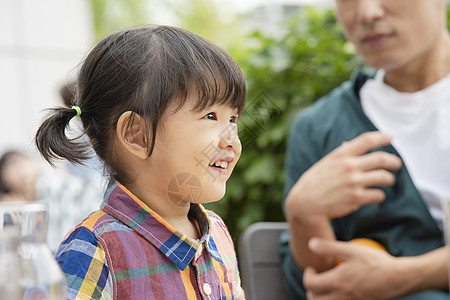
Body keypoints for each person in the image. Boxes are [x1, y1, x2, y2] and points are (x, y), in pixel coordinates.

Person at [35, 25, 246, 299]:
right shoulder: (95, 248)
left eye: (233, 120)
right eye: (210, 116)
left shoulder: (217, 233)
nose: (231, 139)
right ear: (138, 135)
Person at [281, 0, 450, 299]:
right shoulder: (320, 128)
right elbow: (317, 283)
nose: (368, 13)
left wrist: (406, 276)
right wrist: (302, 215)